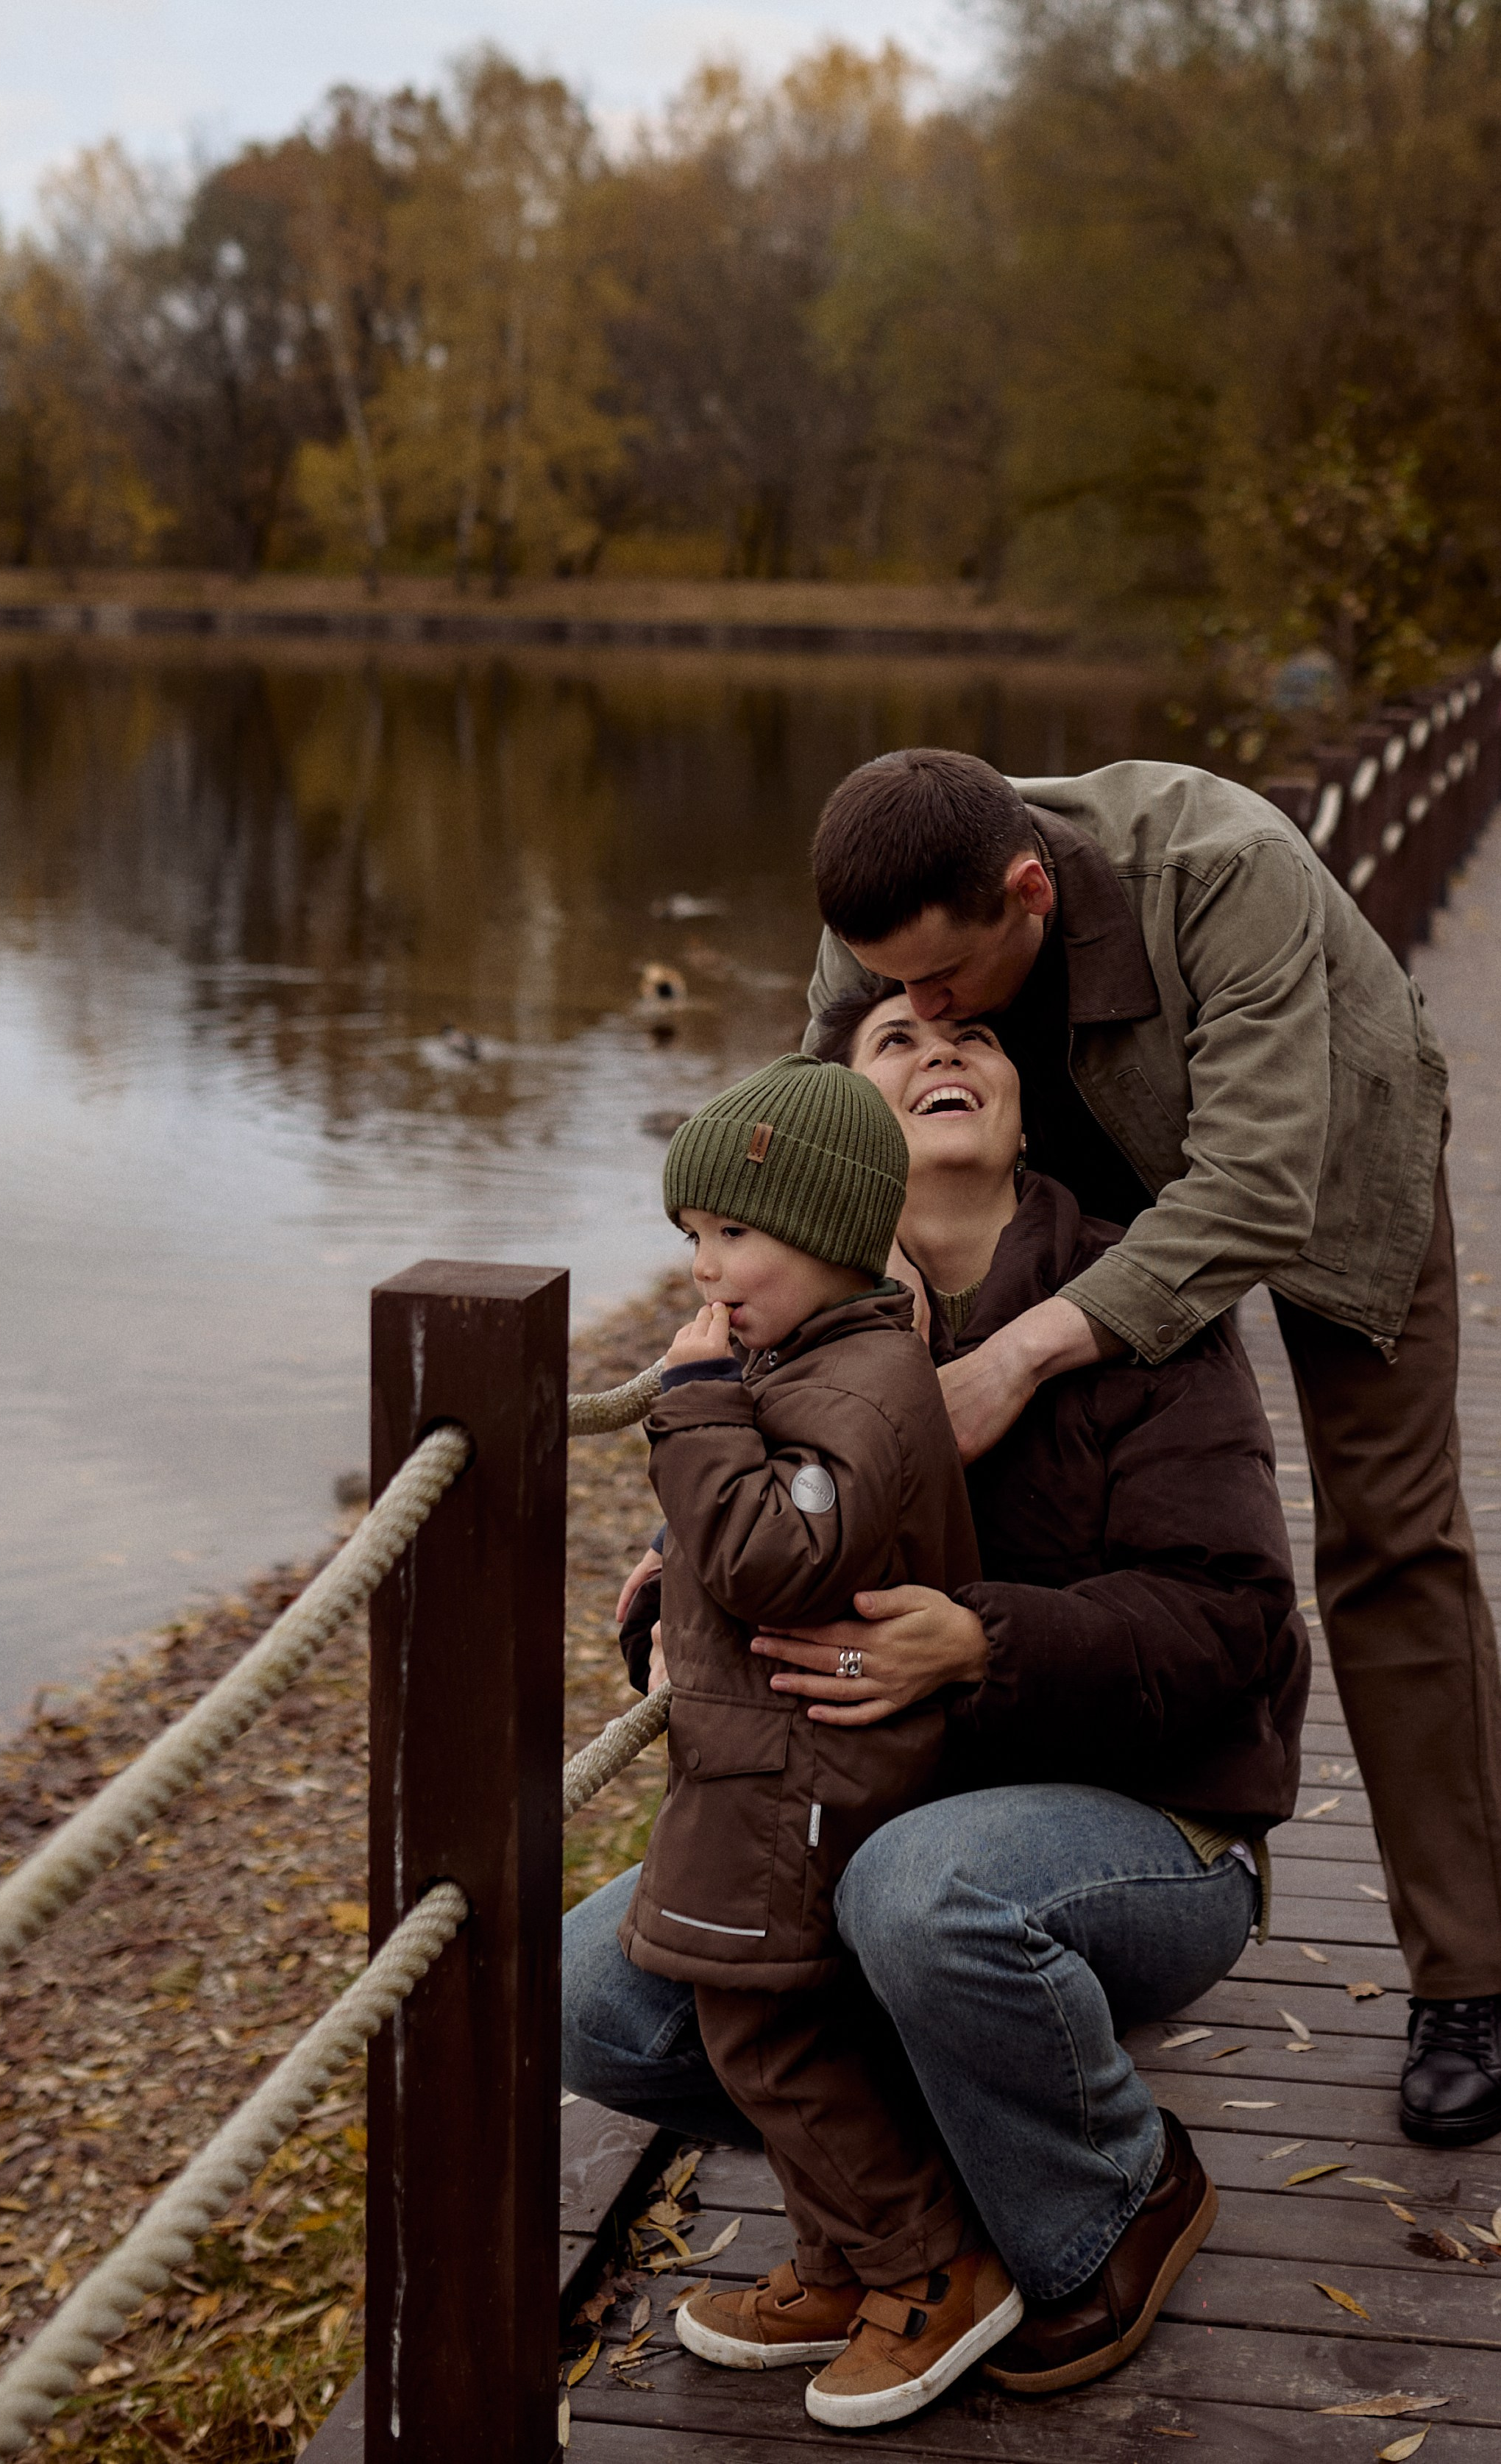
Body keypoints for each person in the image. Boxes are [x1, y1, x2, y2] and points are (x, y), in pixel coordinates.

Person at [569, 992, 1307, 2399]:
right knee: (597, 1996)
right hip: (877, 1802)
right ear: (834, 1144)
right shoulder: (774, 1321)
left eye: (973, 1034)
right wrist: (671, 1595)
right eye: (893, 1041)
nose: (941, 1050)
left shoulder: (1135, 1303)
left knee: (918, 1894)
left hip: (1152, 1823)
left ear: (1027, 1103)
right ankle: (904, 2225)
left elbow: (1237, 1625)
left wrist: (979, 1641)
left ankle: (1114, 2192)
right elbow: (758, 1570)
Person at [801, 748, 1501, 2147]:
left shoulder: (1224, 865)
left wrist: (1020, 1348)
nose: (914, 1010)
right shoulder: (886, 916)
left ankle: (1474, 1975)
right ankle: (1060, 1887)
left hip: (1319, 1156)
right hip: (1058, 1147)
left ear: (1027, 888)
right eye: (893, 990)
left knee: (1389, 1537)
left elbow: (1253, 1185)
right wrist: (730, 1329)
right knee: (1013, 1485)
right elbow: (810, 1144)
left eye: (943, 984)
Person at [626, 1051, 1023, 2430]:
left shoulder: (852, 1387)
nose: (705, 1270)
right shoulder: (814, 1359)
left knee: (774, 2034)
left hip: (805, 1783)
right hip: (770, 1773)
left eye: (736, 1233)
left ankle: (930, 2269)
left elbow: (771, 1555)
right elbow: (737, 1554)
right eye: (691, 1238)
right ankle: (844, 2262)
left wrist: (687, 1412)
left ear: (834, 1231)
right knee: (771, 2028)